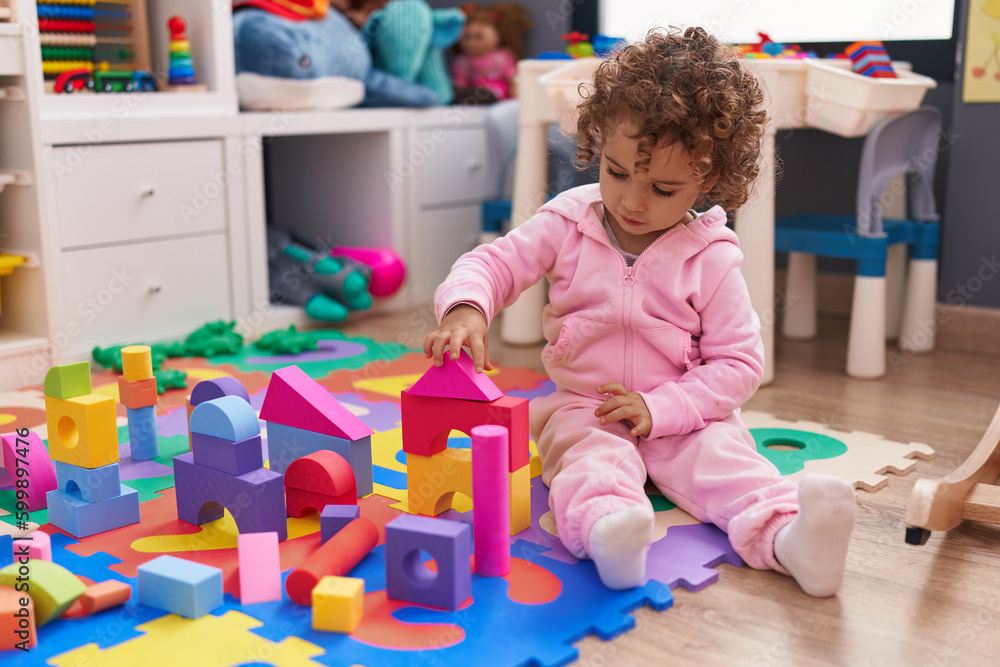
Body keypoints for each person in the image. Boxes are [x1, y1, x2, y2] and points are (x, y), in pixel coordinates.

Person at [424, 27, 856, 596]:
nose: (631, 201)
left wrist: (664, 406)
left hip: (685, 410)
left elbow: (737, 365)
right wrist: (466, 307)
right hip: (587, 405)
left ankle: (793, 539)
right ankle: (611, 536)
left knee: (728, 463)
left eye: (664, 188)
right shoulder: (567, 220)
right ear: (600, 145)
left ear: (711, 179)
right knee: (586, 465)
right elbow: (495, 265)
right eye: (617, 171)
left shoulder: (711, 257)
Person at [451, 2, 531, 101]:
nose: (472, 42)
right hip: (472, 91)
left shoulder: (501, 58)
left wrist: (516, 92)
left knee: (486, 94)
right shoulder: (462, 61)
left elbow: (512, 78)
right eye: (467, 37)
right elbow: (460, 82)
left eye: (478, 36)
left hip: (496, 91)